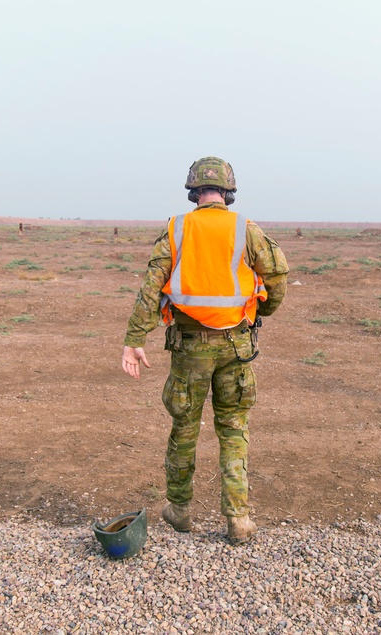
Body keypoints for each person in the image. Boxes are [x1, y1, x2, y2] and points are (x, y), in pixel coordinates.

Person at [121, 157, 289, 544]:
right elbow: (277, 277)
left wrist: (134, 341)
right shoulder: (246, 228)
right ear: (228, 191)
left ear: (193, 191)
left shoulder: (176, 228)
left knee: (184, 428)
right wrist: (260, 309)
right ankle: (238, 520)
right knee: (233, 428)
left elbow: (151, 288)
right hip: (237, 346)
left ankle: (178, 510)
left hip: (189, 348)